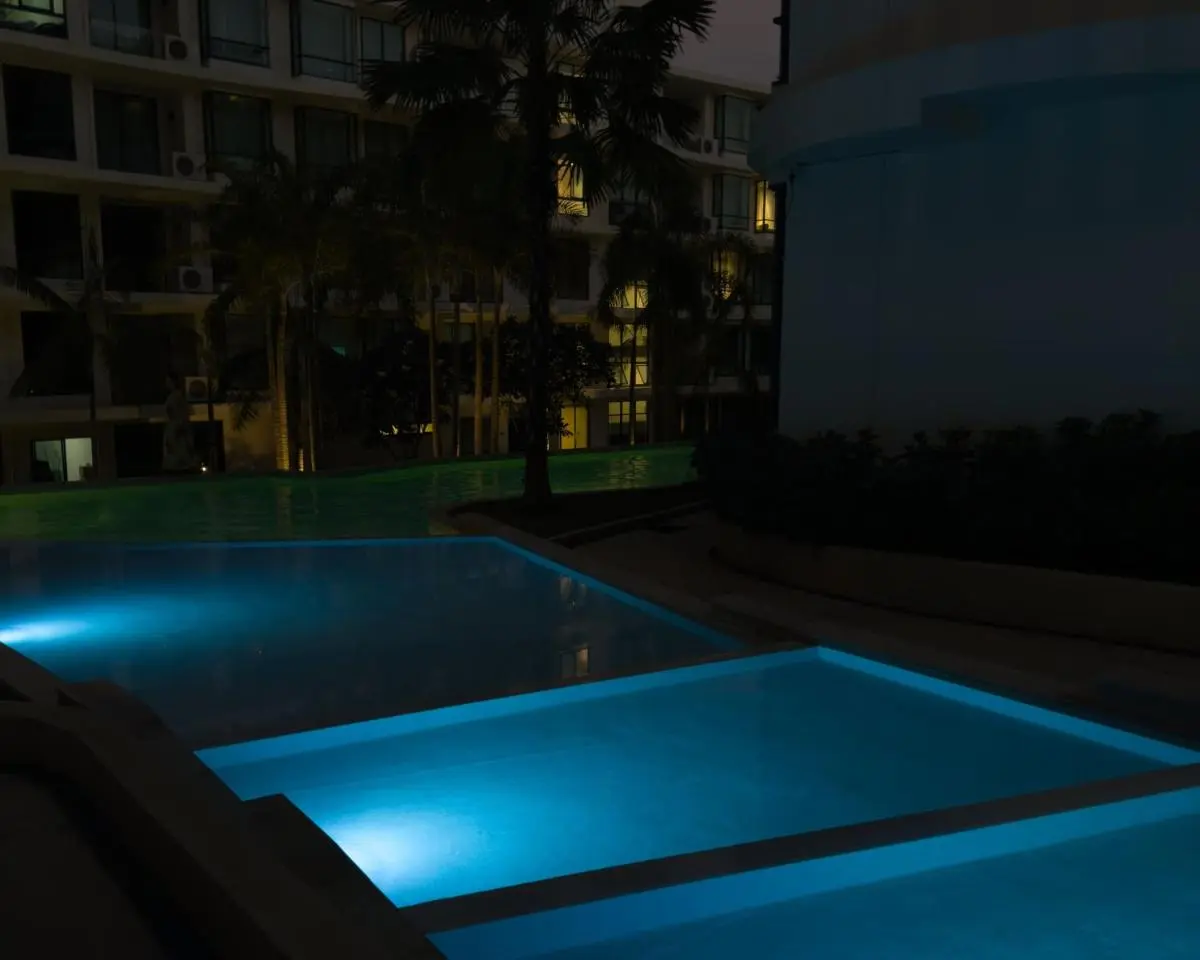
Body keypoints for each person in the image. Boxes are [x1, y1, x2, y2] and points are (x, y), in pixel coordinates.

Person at [162, 372, 198, 474]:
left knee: (180, 460)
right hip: (174, 430)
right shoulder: (175, 396)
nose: (166, 384)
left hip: (177, 431)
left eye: (168, 381)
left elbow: (183, 416)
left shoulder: (177, 397)